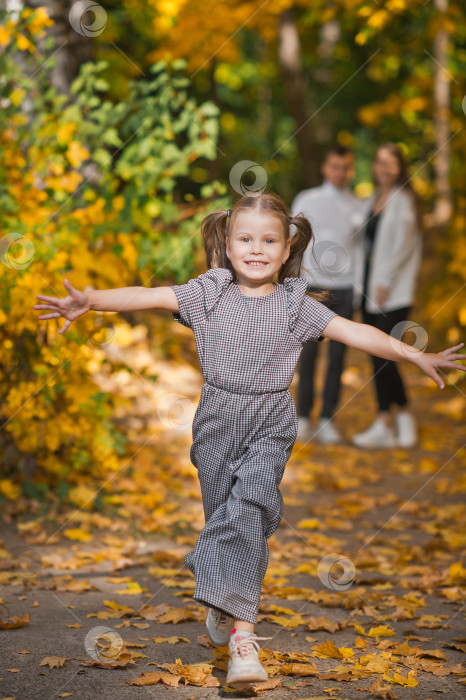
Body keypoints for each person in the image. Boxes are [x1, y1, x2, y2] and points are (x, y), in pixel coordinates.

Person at [33, 192, 464, 688]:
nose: (256, 249)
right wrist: (92, 301)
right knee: (226, 517)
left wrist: (413, 356)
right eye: (245, 238)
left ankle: (243, 640)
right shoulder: (207, 293)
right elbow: (147, 295)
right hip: (216, 418)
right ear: (228, 242)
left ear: (285, 251)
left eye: (269, 240)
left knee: (250, 509)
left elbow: (356, 332)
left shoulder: (295, 306)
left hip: (270, 419)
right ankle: (222, 595)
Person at [351, 143, 423, 449]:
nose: (384, 168)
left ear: (400, 167)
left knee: (386, 353)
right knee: (374, 352)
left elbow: (403, 246)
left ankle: (404, 415)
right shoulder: (371, 200)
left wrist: (384, 281)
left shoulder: (404, 200)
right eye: (380, 162)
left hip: (390, 291)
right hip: (368, 287)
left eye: (390, 163)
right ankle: (384, 421)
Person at [291, 145, 363, 445]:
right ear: (325, 167)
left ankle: (327, 419)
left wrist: (359, 292)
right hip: (312, 287)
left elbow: (361, 252)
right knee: (307, 356)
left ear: (351, 170)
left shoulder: (360, 205)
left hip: (346, 288)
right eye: (334, 166)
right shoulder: (307, 199)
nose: (339, 172)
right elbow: (294, 244)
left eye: (345, 167)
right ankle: (303, 417)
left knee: (338, 358)